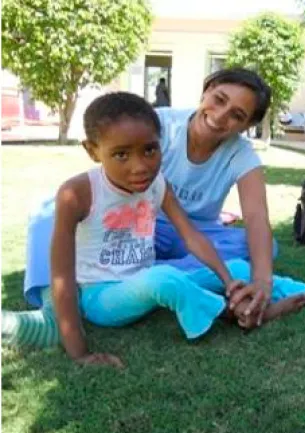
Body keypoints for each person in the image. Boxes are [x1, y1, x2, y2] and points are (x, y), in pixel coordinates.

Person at [1, 92, 305, 367]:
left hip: (141, 279)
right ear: (93, 151)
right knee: (166, 278)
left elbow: (193, 237)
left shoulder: (157, 184)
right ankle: (241, 317)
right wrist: (80, 352)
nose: (139, 166)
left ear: (160, 145)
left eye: (149, 151)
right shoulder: (78, 193)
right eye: (121, 155)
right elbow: (62, 279)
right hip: (102, 298)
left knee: (241, 269)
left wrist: (227, 279)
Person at [23, 68, 280, 326]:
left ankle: (155, 279)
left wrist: (262, 280)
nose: (220, 116)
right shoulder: (158, 124)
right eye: (219, 99)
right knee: (48, 211)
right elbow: (107, 170)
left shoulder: (242, 155)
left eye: (237, 115)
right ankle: (51, 304)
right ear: (207, 90)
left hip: (192, 231)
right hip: (137, 223)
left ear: (247, 126)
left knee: (264, 248)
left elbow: (257, 217)